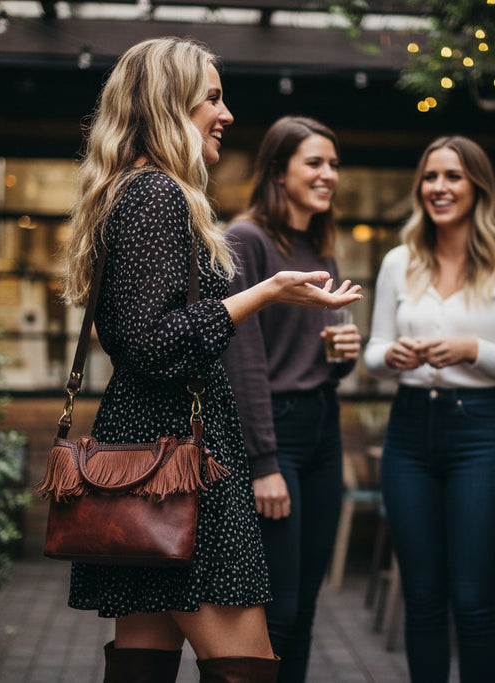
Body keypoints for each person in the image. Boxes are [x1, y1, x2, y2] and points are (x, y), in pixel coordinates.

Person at [59, 37, 361, 683]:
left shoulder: (139, 191)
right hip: (178, 458)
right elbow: (154, 344)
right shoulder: (156, 195)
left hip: (159, 449)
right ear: (170, 104)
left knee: (145, 656)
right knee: (247, 666)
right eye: (213, 97)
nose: (226, 113)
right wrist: (266, 291)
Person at [364, 135, 495, 682]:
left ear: (477, 187)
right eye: (430, 177)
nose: (439, 188)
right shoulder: (400, 262)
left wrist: (475, 351)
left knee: (472, 599)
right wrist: (392, 355)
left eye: (452, 176)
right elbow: (373, 353)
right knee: (422, 598)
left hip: (482, 432)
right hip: (408, 432)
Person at [221, 116, 361, 683]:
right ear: (279, 171)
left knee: (304, 607)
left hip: (324, 427)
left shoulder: (318, 245)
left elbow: (320, 357)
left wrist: (345, 352)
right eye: (314, 163)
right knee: (277, 608)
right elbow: (243, 355)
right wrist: (263, 464)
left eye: (333, 164)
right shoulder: (246, 239)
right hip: (273, 431)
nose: (328, 175)